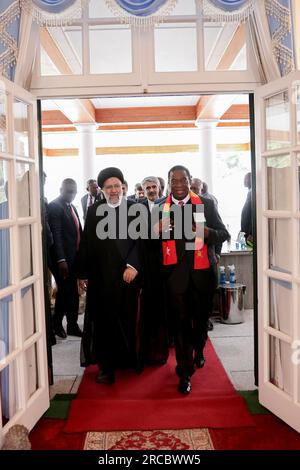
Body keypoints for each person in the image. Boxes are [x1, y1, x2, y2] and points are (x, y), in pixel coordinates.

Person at [155, 165, 229, 394]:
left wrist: (207, 233)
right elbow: (148, 244)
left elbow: (223, 233)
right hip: (175, 279)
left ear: (189, 181)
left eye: (183, 180)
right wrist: (155, 231)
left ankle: (200, 348)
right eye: (173, 181)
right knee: (180, 325)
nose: (178, 185)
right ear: (168, 183)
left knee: (200, 322)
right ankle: (184, 371)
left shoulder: (205, 204)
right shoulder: (160, 208)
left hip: (202, 275)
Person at [77, 167, 141, 385]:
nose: (113, 190)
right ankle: (107, 367)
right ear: (102, 190)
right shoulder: (95, 210)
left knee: (126, 318)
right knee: (104, 322)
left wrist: (133, 265)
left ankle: (126, 359)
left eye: (116, 186)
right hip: (102, 277)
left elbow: (143, 242)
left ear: (123, 187)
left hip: (127, 277)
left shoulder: (135, 208)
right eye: (108, 187)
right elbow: (86, 242)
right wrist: (83, 272)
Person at [48, 179, 83, 339]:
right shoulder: (55, 206)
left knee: (74, 293)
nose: (72, 194)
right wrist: (61, 260)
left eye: (74, 191)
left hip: (73, 258)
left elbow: (77, 232)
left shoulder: (71, 207)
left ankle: (72, 325)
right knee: (64, 292)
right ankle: (56, 324)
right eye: (69, 191)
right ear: (61, 189)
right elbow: (56, 235)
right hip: (61, 260)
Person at [139, 176, 168, 365]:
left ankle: (165, 345)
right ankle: (148, 347)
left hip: (165, 263)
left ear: (159, 188)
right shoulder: (136, 207)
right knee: (147, 309)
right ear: (143, 189)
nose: (151, 190)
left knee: (164, 307)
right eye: (147, 187)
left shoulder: (167, 206)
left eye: (154, 187)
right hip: (144, 265)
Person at [241, 172, 253, 244]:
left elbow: (251, 214)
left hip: (251, 233)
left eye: (246, 179)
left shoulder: (252, 192)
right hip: (247, 231)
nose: (244, 181)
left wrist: (251, 232)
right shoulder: (250, 191)